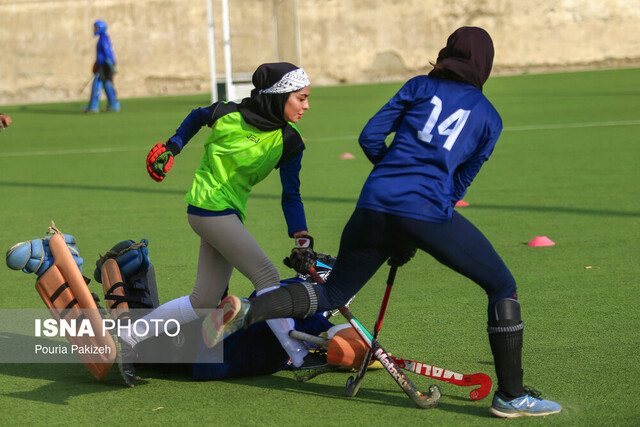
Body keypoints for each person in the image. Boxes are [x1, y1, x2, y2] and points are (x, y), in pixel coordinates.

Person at [205, 27, 562, 418]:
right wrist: (413, 224)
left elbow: (370, 137)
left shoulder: (419, 86)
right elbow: (457, 185)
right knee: (502, 285)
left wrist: (392, 181)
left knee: (333, 293)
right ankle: (511, 395)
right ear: (485, 66)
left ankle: (248, 311)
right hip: (426, 211)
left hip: (372, 204)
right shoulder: (490, 118)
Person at [117, 62, 319, 386]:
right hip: (208, 208)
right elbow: (198, 116)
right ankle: (297, 354)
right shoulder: (228, 114)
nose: (307, 106)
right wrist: (174, 146)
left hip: (228, 213)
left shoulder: (290, 141)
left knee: (203, 300)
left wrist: (301, 236)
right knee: (265, 275)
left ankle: (127, 341)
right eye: (301, 98)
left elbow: (291, 195)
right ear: (279, 96)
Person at [84, 20, 121, 113]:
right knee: (107, 84)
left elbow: (107, 53)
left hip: (104, 65)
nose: (94, 30)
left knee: (98, 84)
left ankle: (93, 106)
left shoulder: (103, 39)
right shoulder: (103, 38)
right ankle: (113, 104)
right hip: (103, 65)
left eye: (96, 28)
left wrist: (110, 66)